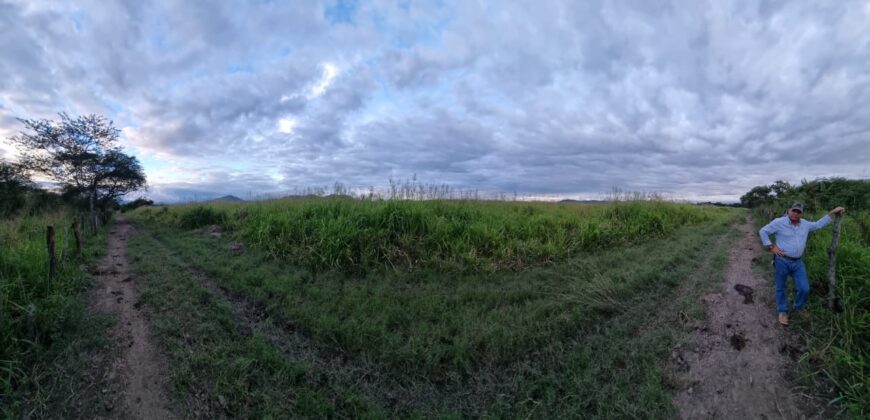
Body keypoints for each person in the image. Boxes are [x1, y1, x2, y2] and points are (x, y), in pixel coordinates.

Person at [758, 203, 845, 326]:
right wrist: (771, 247)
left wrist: (833, 212)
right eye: (794, 211)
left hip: (798, 262)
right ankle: (782, 311)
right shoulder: (779, 222)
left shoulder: (805, 224)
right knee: (781, 287)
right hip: (782, 260)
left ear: (801, 213)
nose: (796, 214)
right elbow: (763, 231)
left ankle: (798, 307)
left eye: (798, 212)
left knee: (804, 288)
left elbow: (818, 224)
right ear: (788, 210)